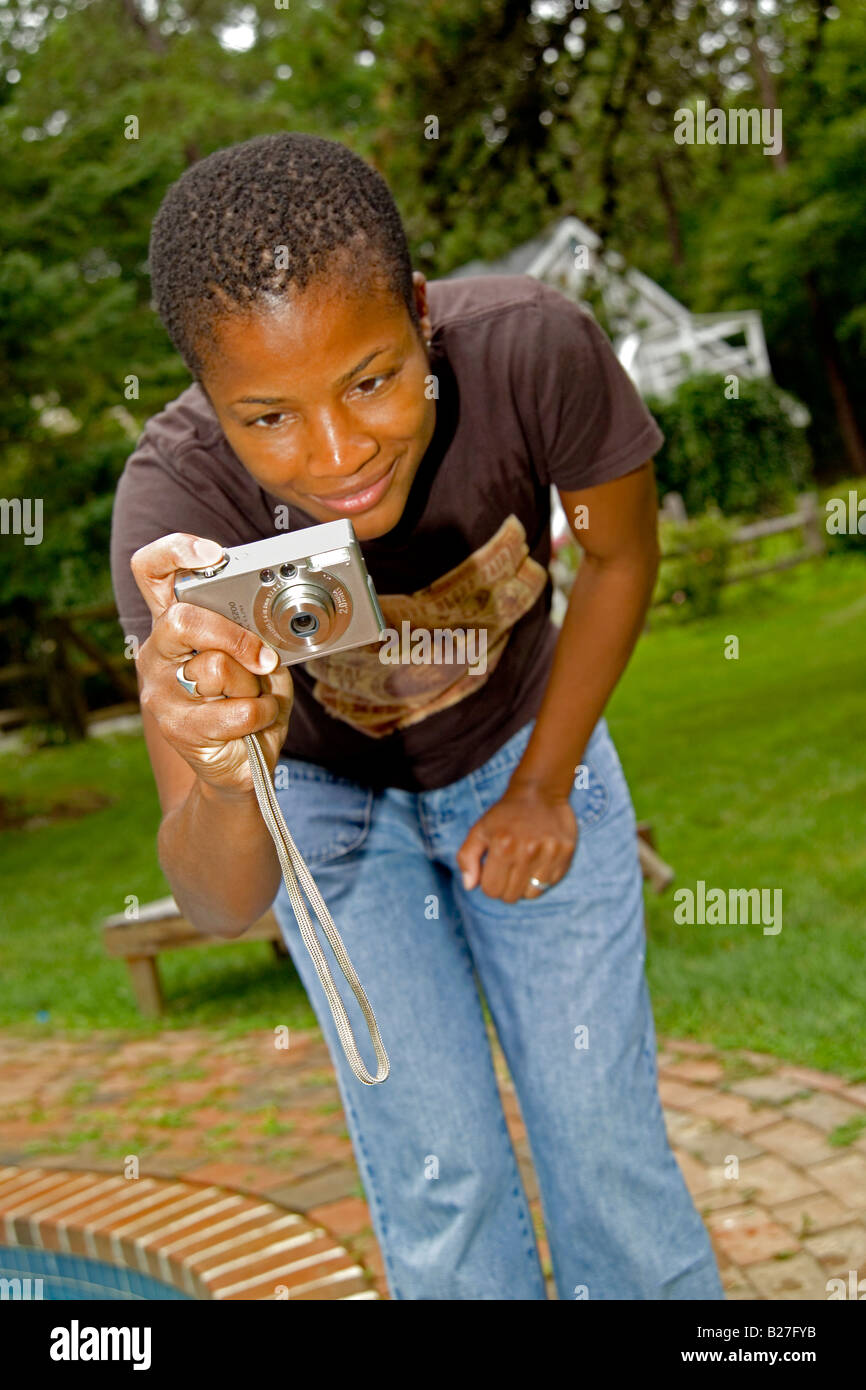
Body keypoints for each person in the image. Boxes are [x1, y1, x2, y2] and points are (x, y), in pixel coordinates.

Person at [110, 131, 724, 1301]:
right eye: (267, 417)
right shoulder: (174, 508)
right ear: (205, 395)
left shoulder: (533, 351)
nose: (338, 456)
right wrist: (230, 769)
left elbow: (619, 561)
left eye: (372, 380)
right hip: (327, 800)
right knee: (443, 1171)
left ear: (420, 312)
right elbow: (217, 898)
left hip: (522, 742)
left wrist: (545, 785)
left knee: (600, 1143)